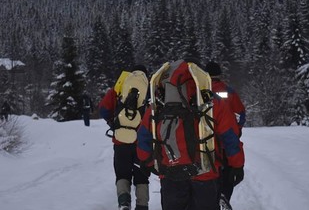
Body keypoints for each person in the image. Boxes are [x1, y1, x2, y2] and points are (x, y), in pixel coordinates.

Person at [137, 59, 245, 210]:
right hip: (205, 173)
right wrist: (237, 165)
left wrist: (147, 162)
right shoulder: (211, 101)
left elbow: (143, 136)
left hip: (170, 174)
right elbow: (230, 136)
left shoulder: (159, 105)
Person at [99, 65, 150, 210]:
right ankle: (142, 205)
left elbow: (103, 109)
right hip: (142, 144)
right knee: (142, 177)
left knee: (122, 175)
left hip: (121, 142)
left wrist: (113, 122)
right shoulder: (149, 91)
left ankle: (124, 203)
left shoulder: (119, 88)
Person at [205, 61, 246, 207]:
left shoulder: (199, 92)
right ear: (219, 74)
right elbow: (240, 114)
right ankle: (224, 196)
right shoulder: (228, 91)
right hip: (226, 140)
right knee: (229, 174)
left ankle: (214, 197)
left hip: (206, 142)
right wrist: (237, 129)